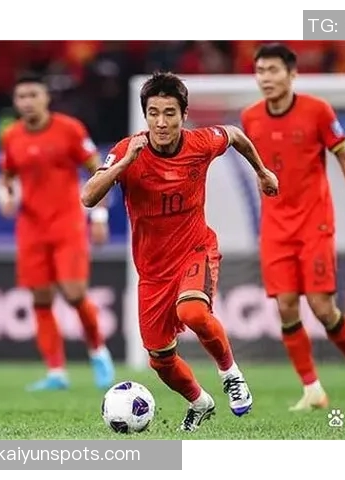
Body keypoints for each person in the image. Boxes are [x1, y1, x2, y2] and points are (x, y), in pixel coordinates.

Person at [81, 71, 279, 432]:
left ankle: (231, 374)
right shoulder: (127, 150)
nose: (161, 122)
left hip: (195, 249)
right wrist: (124, 164)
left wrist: (262, 172)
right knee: (160, 359)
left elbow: (235, 135)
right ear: (145, 115)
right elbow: (88, 196)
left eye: (169, 113)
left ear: (183, 115)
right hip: (152, 271)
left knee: (192, 311)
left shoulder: (201, 143)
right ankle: (200, 402)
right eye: (153, 113)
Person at [240, 43, 345, 411]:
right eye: (260, 71)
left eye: (273, 70)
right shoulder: (250, 118)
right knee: (286, 307)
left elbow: (344, 155)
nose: (266, 78)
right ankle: (312, 389)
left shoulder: (317, 111)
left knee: (322, 307)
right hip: (275, 228)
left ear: (292, 74)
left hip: (315, 223)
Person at [0, 72, 115, 392]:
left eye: (33, 95)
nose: (27, 102)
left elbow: (99, 172)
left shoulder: (70, 130)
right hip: (31, 228)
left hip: (67, 224)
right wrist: (6, 195)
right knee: (40, 298)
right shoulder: (11, 136)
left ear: (46, 98)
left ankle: (98, 351)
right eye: (21, 97)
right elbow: (7, 175)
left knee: (74, 294)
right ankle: (56, 372)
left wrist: (99, 216)